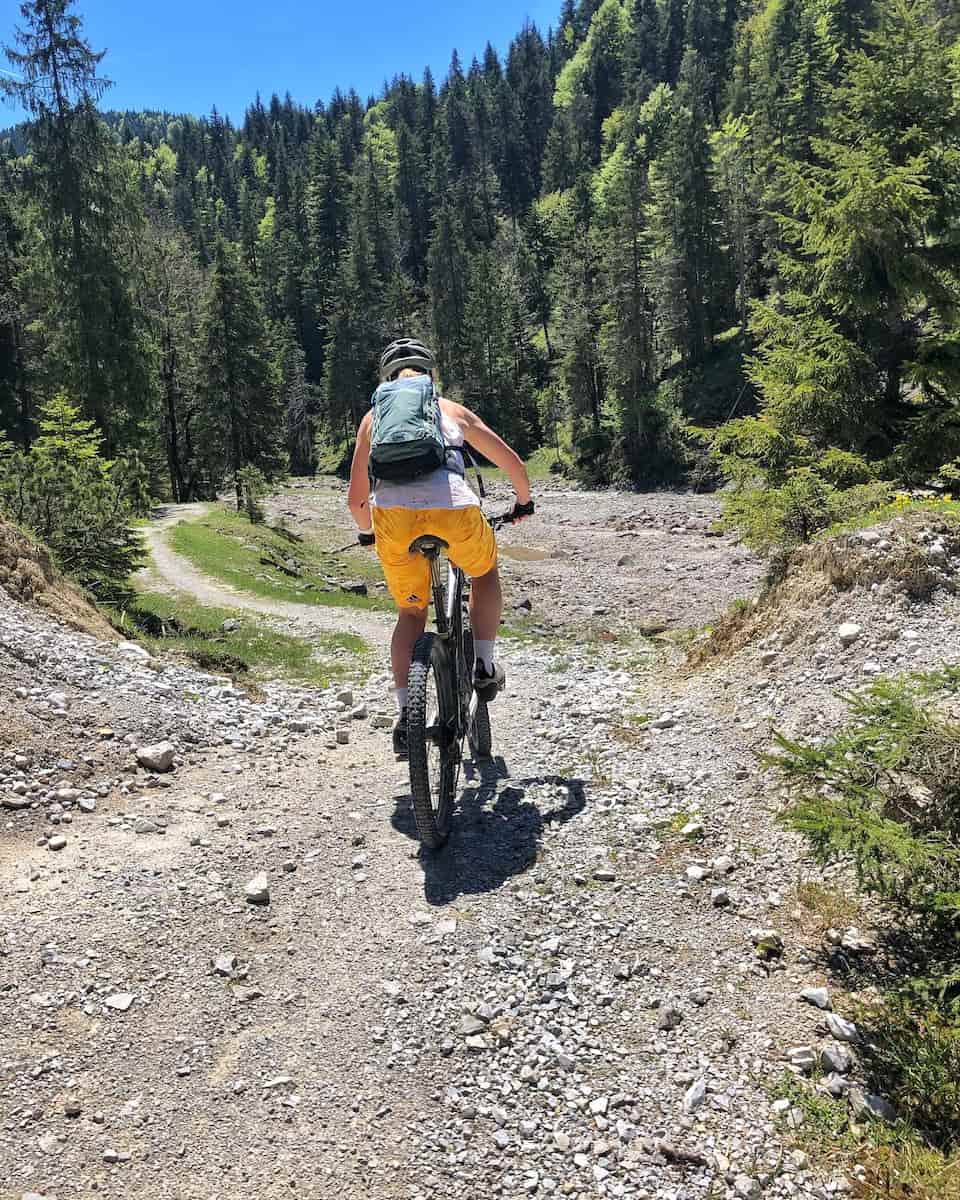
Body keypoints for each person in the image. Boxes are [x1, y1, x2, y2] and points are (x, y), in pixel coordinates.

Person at [347, 337, 533, 757]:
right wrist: (523, 502)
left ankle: (403, 716)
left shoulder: (374, 417)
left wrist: (367, 531)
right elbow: (513, 465)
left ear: (388, 379)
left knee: (411, 611)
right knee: (483, 572)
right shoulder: (449, 409)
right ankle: (483, 665)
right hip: (453, 509)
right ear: (430, 374)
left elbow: (357, 501)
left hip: (394, 520)